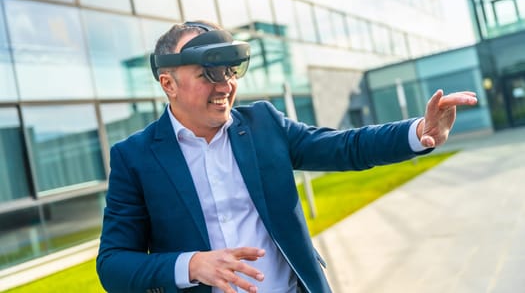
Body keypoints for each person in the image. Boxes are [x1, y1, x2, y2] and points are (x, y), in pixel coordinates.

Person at [96, 20, 478, 293]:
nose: (226, 86)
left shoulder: (263, 123)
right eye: (209, 74)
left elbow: (345, 146)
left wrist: (418, 132)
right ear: (168, 83)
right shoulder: (135, 158)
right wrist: (193, 265)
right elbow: (113, 266)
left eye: (230, 71)